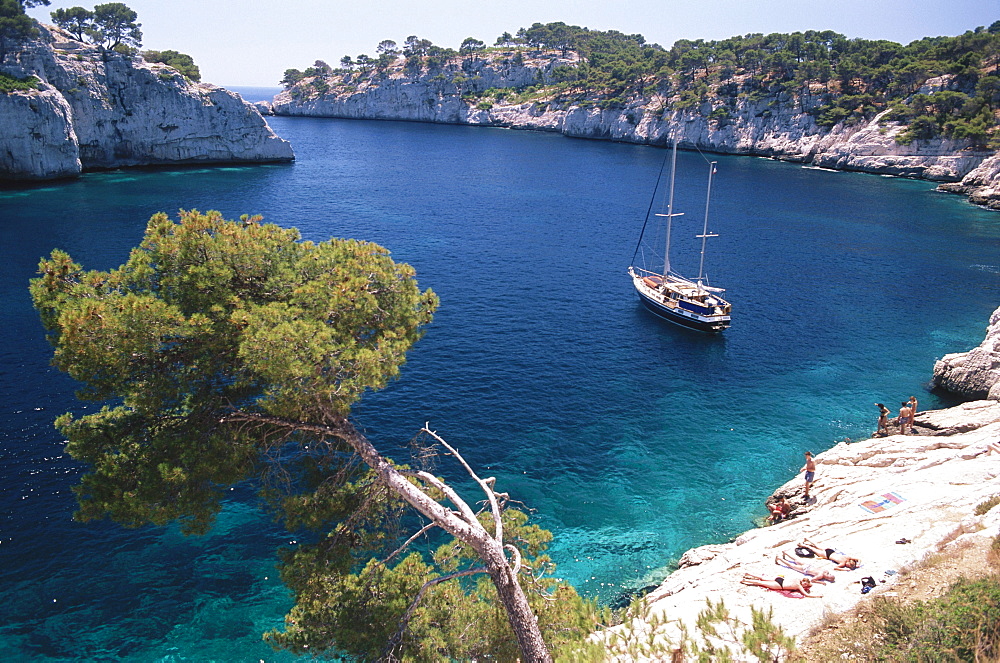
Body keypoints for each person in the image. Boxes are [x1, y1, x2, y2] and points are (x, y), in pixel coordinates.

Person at [741, 573, 818, 597]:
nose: (805, 585)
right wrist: (817, 595)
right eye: (805, 583)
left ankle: (748, 576)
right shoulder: (799, 585)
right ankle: (746, 579)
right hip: (779, 584)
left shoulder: (798, 580)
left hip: (780, 580)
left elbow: (809, 584)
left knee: (762, 579)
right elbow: (806, 594)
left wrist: (808, 583)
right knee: (761, 582)